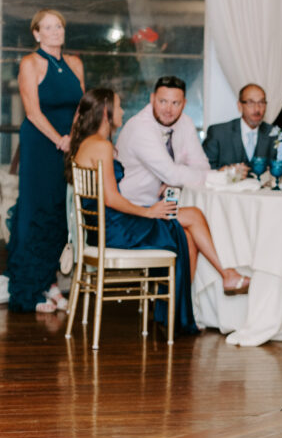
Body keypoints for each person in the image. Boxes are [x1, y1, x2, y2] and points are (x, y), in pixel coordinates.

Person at [67, 89, 251, 335]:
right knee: (190, 222)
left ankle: (181, 309)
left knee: (189, 227)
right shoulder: (101, 145)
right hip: (114, 230)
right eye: (119, 107)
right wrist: (147, 212)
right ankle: (216, 282)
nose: (122, 111)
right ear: (105, 112)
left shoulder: (89, 143)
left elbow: (108, 197)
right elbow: (111, 199)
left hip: (106, 226)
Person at [6, 9, 84, 313]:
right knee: (36, 211)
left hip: (68, 145)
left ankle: (51, 282)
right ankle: (29, 289)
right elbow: (32, 111)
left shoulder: (75, 63)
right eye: (48, 27)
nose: (55, 31)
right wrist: (59, 139)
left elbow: (82, 107)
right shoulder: (30, 63)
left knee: (61, 213)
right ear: (37, 34)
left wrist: (73, 137)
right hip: (42, 145)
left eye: (59, 26)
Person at [116, 76, 212, 207]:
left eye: (175, 103)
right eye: (163, 101)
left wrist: (176, 181)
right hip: (134, 207)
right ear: (152, 99)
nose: (168, 109)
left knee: (200, 215)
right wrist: (174, 178)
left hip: (167, 207)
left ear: (184, 103)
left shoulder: (185, 122)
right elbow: (171, 174)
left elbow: (202, 166)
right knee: (196, 219)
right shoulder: (141, 127)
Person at [202, 83, 276, 169]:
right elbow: (204, 170)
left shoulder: (273, 134)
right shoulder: (218, 133)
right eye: (250, 103)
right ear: (240, 106)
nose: (257, 109)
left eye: (261, 102)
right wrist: (226, 173)